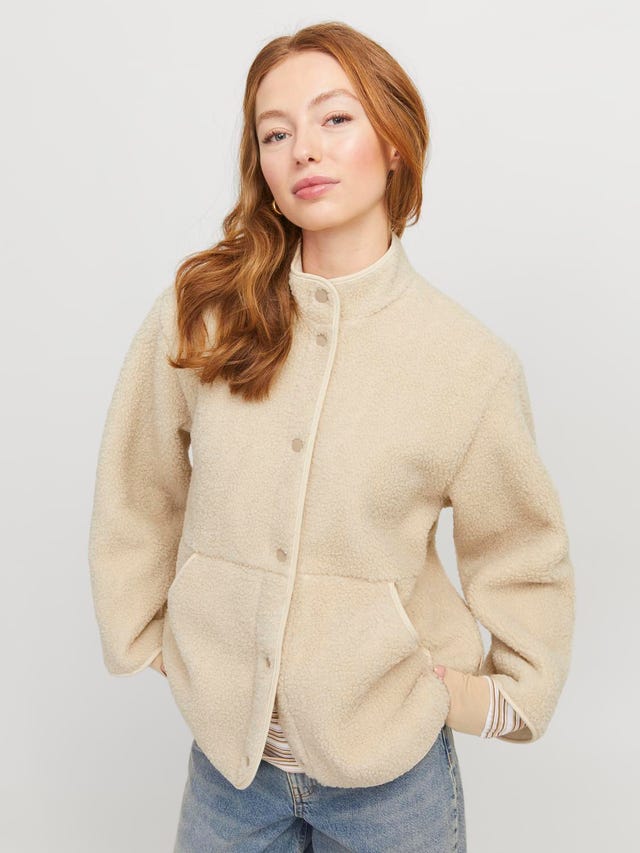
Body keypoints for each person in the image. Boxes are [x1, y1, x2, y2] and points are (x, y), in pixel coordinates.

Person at [88, 20, 575, 853]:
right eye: (275, 133)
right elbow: (137, 482)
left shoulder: (469, 363)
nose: (303, 150)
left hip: (393, 779)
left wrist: (481, 695)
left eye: (334, 119)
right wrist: (164, 635)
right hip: (229, 772)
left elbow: (523, 549)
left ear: (393, 140)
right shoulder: (204, 313)